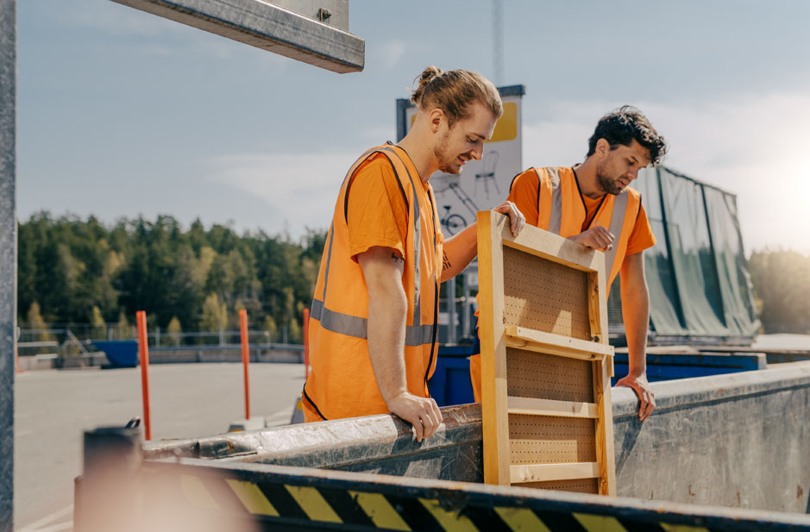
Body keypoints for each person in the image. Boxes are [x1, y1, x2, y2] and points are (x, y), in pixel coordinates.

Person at [302, 66, 525, 441]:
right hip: (353, 410)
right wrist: (398, 393)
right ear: (437, 119)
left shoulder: (420, 190)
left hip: (385, 408)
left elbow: (434, 268)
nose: (479, 153)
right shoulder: (381, 174)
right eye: (473, 138)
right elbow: (386, 289)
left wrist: (486, 229)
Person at [470, 105, 667, 421]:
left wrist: (638, 371)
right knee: (509, 460)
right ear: (602, 148)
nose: (633, 174)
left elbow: (634, 289)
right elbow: (508, 268)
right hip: (513, 345)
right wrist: (573, 246)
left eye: (640, 168)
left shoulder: (632, 205)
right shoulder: (537, 185)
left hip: (579, 350)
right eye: (630, 162)